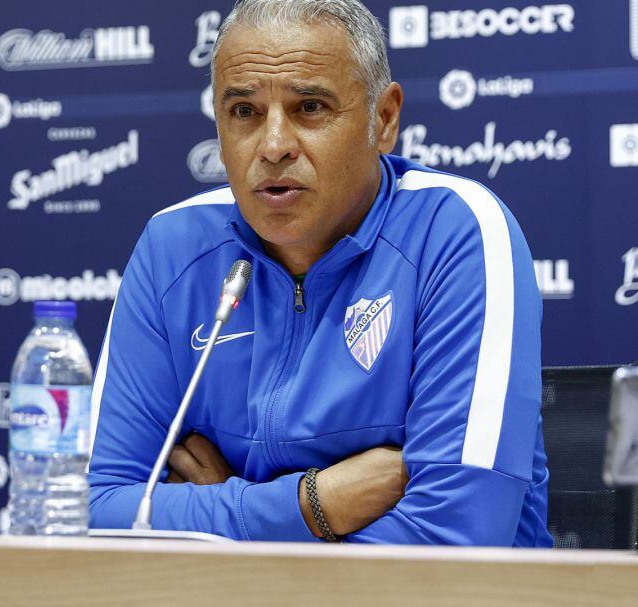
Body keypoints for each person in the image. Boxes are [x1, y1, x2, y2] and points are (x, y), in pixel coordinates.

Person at [87, 0, 550, 545]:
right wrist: (310, 505)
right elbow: (93, 510)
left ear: (383, 119)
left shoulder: (456, 232)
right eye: (244, 112)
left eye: (309, 107)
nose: (274, 145)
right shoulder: (174, 246)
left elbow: (452, 539)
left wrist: (221, 520)